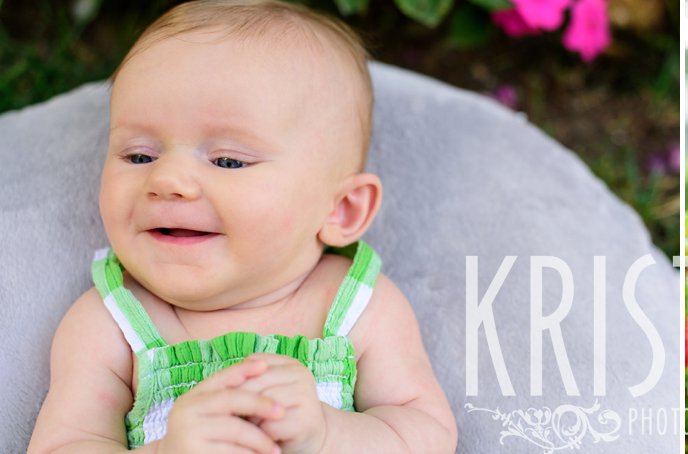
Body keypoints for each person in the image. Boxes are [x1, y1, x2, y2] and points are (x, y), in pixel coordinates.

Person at [28, 1, 455, 452]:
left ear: (341, 210)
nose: (166, 180)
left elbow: (427, 436)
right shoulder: (109, 323)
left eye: (228, 160)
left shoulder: (360, 308)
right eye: (139, 156)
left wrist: (328, 433)